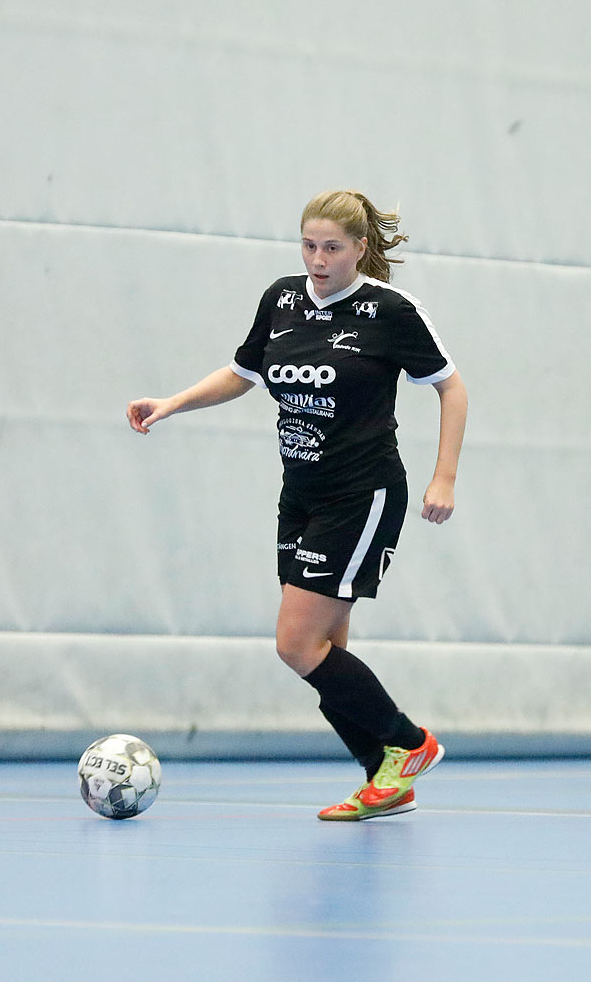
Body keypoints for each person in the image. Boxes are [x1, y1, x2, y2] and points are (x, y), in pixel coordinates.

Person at [126, 190, 468, 821]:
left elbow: (451, 387)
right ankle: (383, 779)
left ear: (360, 249)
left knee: (295, 643)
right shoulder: (281, 298)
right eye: (308, 245)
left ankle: (410, 742)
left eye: (332, 248)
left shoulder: (389, 311)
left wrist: (443, 478)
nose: (317, 259)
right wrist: (172, 402)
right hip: (301, 493)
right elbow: (243, 372)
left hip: (362, 494)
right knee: (327, 646)